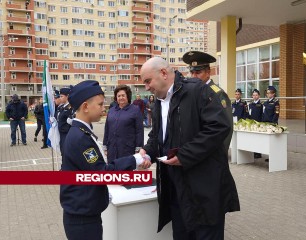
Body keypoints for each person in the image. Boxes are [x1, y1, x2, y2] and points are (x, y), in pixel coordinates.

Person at [139, 57, 240, 240]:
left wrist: (184, 155)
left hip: (204, 190)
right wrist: (148, 151)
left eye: (147, 81)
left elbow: (219, 127)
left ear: (163, 73)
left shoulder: (196, 90)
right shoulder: (159, 102)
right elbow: (158, 136)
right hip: (177, 189)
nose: (146, 87)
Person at [60, 80, 151, 240]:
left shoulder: (81, 131)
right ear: (85, 107)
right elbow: (102, 173)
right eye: (101, 104)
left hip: (83, 213)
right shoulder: (80, 137)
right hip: (83, 220)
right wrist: (135, 159)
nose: (104, 108)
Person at [182, 50, 233, 153]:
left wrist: (220, 154)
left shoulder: (217, 93)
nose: (194, 76)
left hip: (212, 154)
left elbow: (226, 127)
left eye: (198, 72)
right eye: (192, 72)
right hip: (196, 151)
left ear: (208, 73)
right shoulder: (193, 92)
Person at [103, 85, 144, 162]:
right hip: (112, 149)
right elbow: (107, 128)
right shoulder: (111, 110)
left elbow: (139, 131)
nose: (121, 98)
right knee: (113, 172)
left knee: (126, 172)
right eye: (118, 96)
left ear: (127, 96)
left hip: (127, 150)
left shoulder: (135, 110)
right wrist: (105, 146)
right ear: (116, 98)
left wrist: (138, 148)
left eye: (123, 95)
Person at [248, 89, 263, 158]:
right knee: (253, 138)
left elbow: (262, 114)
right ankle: (254, 152)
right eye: (253, 95)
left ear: (259, 96)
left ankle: (258, 153)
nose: (255, 96)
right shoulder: (250, 104)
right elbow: (249, 114)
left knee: (259, 139)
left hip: (258, 123)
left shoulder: (261, 104)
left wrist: (261, 124)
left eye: (256, 95)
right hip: (252, 124)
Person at [57, 87, 73, 154]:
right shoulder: (61, 107)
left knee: (66, 152)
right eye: (60, 96)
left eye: (62, 96)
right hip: (61, 133)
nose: (60, 98)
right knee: (63, 152)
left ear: (67, 96)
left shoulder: (70, 107)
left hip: (67, 134)